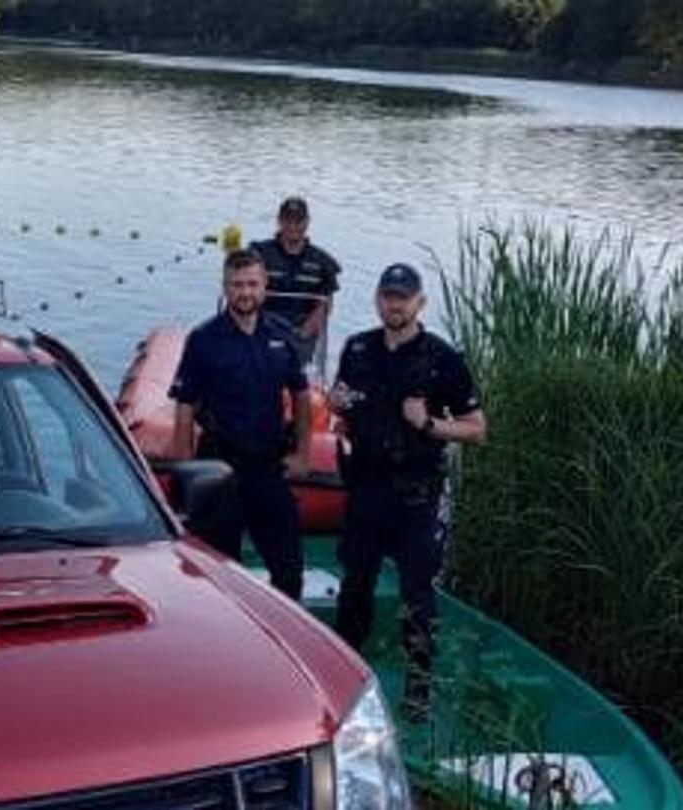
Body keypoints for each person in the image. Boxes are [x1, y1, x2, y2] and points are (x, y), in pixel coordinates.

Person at [330, 263, 487, 719]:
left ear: (420, 303)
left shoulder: (442, 358)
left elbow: (477, 430)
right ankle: (343, 683)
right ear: (378, 299)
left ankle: (418, 692)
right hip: (364, 490)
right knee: (354, 587)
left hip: (415, 497)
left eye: (404, 297)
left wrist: (431, 423)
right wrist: (337, 404)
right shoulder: (357, 348)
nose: (394, 304)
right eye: (387, 295)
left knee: (417, 594)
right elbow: (342, 407)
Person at [170, 248, 314, 601]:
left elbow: (301, 394)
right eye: (237, 285)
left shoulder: (283, 335)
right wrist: (186, 472)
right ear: (225, 287)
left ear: (265, 285)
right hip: (220, 468)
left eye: (252, 284)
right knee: (219, 576)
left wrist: (303, 453)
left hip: (268, 467)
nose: (245, 292)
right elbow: (185, 408)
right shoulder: (204, 340)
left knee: (289, 571)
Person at [249, 196, 342, 369]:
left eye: (298, 221)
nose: (292, 226)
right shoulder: (258, 253)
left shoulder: (323, 263)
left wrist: (303, 333)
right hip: (262, 327)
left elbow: (325, 305)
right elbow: (246, 290)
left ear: (307, 222)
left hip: (302, 332)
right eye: (287, 220)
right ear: (279, 221)